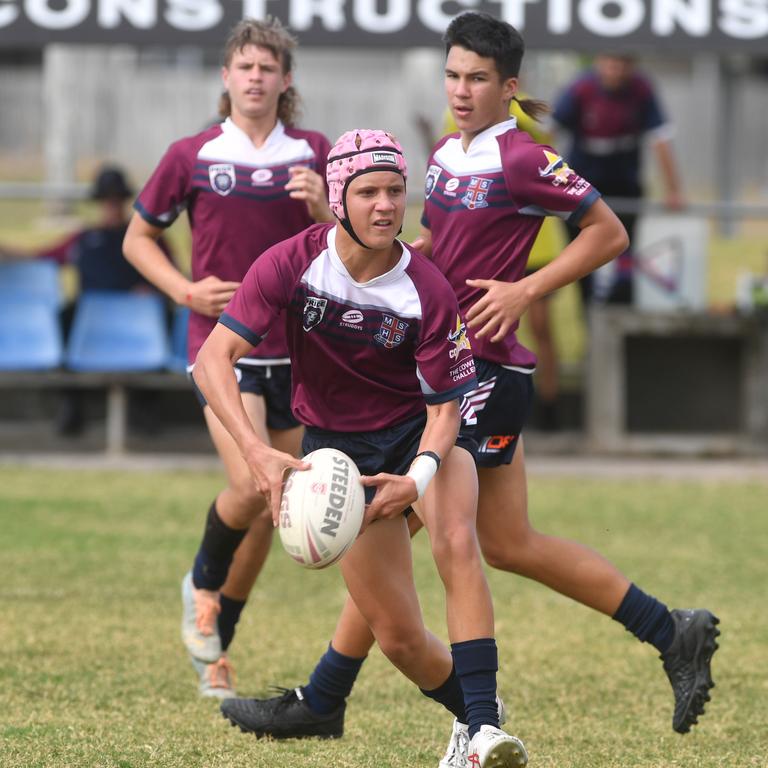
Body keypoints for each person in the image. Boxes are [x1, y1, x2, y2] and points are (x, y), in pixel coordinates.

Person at [222, 12, 720, 762]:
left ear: (507, 86)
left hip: (482, 368)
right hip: (442, 363)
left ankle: (335, 699)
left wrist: (527, 290)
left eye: (477, 79)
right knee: (503, 542)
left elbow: (609, 232)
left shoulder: (520, 157)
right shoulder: (450, 153)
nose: (460, 89)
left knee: (402, 526)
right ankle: (668, 629)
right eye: (452, 74)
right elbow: (437, 251)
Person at [194, 128, 528, 768]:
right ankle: (468, 716)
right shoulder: (291, 263)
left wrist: (421, 478)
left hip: (417, 440)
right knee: (399, 637)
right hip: (340, 460)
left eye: (395, 191)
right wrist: (256, 450)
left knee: (456, 539)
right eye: (368, 191)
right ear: (338, 196)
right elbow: (214, 360)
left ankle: (485, 729)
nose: (384, 206)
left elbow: (444, 411)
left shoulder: (428, 289)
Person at [122, 16, 333, 699]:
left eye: (267, 68)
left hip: (299, 352)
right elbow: (137, 239)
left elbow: (355, 251)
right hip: (223, 350)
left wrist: (328, 210)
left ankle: (215, 643)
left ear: (285, 80)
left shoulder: (314, 153)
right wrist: (185, 288)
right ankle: (202, 582)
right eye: (244, 66)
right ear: (225, 76)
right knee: (250, 483)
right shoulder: (191, 153)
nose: (255, 78)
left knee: (279, 504)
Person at [0, 164, 173, 435]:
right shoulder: (83, 239)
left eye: (116, 199)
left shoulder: (150, 239)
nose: (112, 205)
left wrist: (153, 291)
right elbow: (40, 257)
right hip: (90, 319)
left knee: (165, 318)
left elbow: (173, 278)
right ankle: (71, 405)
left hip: (138, 319)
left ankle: (147, 409)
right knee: (63, 319)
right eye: (107, 199)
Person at [551, 52, 685, 305]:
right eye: (610, 63)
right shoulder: (581, 87)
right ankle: (591, 326)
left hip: (625, 187)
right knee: (582, 265)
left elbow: (661, 139)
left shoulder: (641, 89)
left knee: (624, 258)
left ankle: (620, 321)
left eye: (623, 64)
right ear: (599, 62)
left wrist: (674, 189)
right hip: (582, 189)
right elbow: (548, 133)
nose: (615, 71)